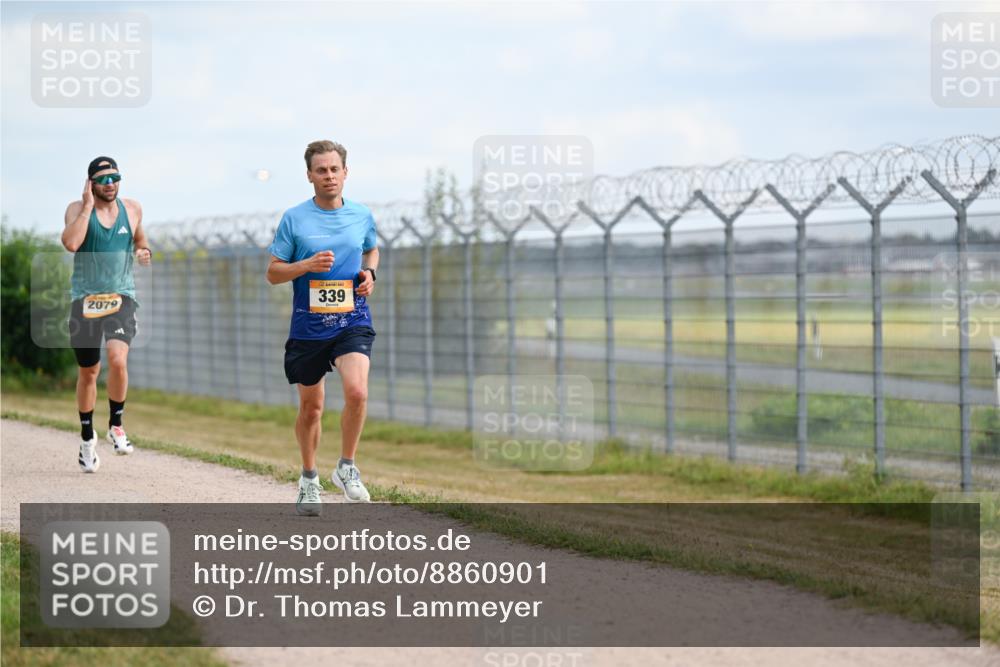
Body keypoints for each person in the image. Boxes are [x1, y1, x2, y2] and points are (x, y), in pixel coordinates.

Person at [266, 140, 378, 513]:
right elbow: (273, 273)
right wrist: (306, 266)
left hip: (352, 318)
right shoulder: (294, 219)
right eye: (321, 170)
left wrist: (370, 273)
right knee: (312, 409)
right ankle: (309, 478)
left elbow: (371, 248)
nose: (329, 176)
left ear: (345, 172)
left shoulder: (361, 214)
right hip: (309, 326)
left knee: (357, 392)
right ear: (309, 175)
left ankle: (346, 467)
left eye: (334, 169)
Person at [62, 156, 151, 473]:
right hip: (85, 300)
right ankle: (87, 437)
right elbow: (71, 243)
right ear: (91, 184)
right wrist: (87, 206)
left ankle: (116, 425)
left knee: (117, 359)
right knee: (88, 371)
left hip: (120, 297)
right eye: (103, 179)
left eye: (115, 177)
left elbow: (140, 239)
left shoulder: (133, 208)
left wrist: (143, 251)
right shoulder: (77, 209)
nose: (110, 184)